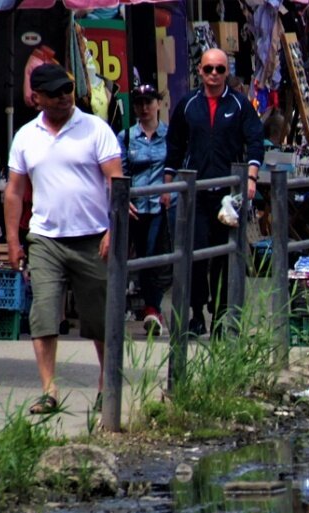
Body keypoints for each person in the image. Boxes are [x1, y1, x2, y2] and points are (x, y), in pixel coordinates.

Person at [3, 63, 123, 415]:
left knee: (101, 317)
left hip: (92, 237)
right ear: (36, 98)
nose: (64, 98)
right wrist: (13, 240)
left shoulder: (95, 129)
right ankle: (49, 390)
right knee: (42, 312)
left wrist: (113, 230)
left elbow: (117, 181)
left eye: (67, 91)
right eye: (55, 93)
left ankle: (106, 385)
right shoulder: (26, 136)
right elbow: (14, 191)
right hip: (45, 238)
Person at [163, 48, 264, 337]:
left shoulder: (239, 104)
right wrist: (168, 184)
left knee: (224, 256)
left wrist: (251, 177)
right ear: (200, 71)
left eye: (220, 69)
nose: (214, 75)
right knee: (195, 255)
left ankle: (221, 315)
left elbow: (255, 141)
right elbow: (175, 146)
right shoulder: (187, 105)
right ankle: (196, 313)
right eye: (209, 69)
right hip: (195, 194)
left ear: (227, 72)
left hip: (228, 196)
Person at [119, 83, 173, 336]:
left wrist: (170, 192)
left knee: (161, 257)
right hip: (136, 207)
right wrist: (124, 196)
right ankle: (150, 308)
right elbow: (120, 173)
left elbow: (177, 167)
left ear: (158, 105)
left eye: (148, 102)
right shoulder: (126, 137)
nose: (143, 108)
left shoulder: (170, 135)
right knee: (141, 257)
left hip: (163, 206)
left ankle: (154, 307)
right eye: (139, 103)